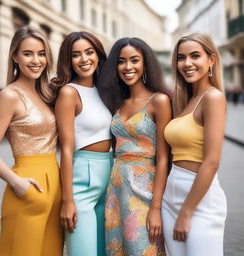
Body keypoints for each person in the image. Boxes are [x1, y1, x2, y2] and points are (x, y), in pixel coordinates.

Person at [0, 26, 63, 256]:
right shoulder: (9, 96)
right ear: (15, 57)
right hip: (27, 186)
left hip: (55, 186)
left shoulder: (46, 94)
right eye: (28, 53)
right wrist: (16, 182)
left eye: (41, 53)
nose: (36, 60)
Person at [98, 37, 171, 255]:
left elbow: (163, 158)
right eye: (122, 61)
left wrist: (156, 208)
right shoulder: (116, 102)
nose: (128, 67)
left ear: (145, 63)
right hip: (116, 189)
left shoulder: (159, 101)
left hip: (145, 188)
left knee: (143, 248)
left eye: (134, 60)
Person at [162, 33, 227, 256]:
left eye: (195, 56)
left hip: (199, 201)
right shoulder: (185, 100)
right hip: (170, 197)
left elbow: (211, 162)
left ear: (211, 60)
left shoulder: (213, 97)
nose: (187, 63)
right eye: (181, 57)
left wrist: (187, 212)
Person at [50, 31, 112, 256]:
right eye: (76, 55)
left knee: (103, 251)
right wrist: (68, 201)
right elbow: (66, 150)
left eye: (89, 52)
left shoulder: (104, 91)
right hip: (81, 182)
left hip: (107, 178)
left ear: (98, 55)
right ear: (68, 61)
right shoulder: (69, 93)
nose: (84, 59)